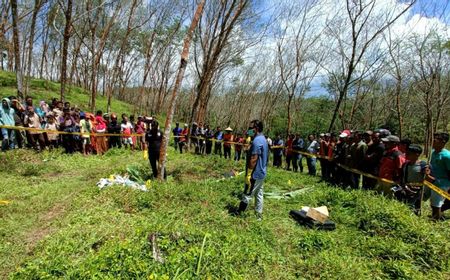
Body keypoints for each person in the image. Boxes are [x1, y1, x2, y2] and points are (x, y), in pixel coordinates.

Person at [237, 120, 269, 220]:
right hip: (261, 173)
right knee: (259, 194)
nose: (249, 130)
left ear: (256, 129)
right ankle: (258, 217)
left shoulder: (257, 141)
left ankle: (238, 215)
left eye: (251, 128)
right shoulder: (262, 138)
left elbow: (254, 158)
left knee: (247, 194)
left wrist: (249, 173)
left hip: (255, 173)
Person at [395, 144, 429, 215]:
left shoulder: (423, 165)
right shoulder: (405, 164)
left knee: (413, 209)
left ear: (417, 154)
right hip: (405, 190)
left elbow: (431, 180)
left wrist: (427, 174)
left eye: (409, 153)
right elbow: (402, 176)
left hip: (416, 192)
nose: (406, 154)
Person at [428, 132, 450, 221]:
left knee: (436, 205)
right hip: (430, 181)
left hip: (441, 184)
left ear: (443, 142)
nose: (432, 141)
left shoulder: (447, 156)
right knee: (433, 203)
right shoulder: (433, 152)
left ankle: (435, 221)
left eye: (435, 139)